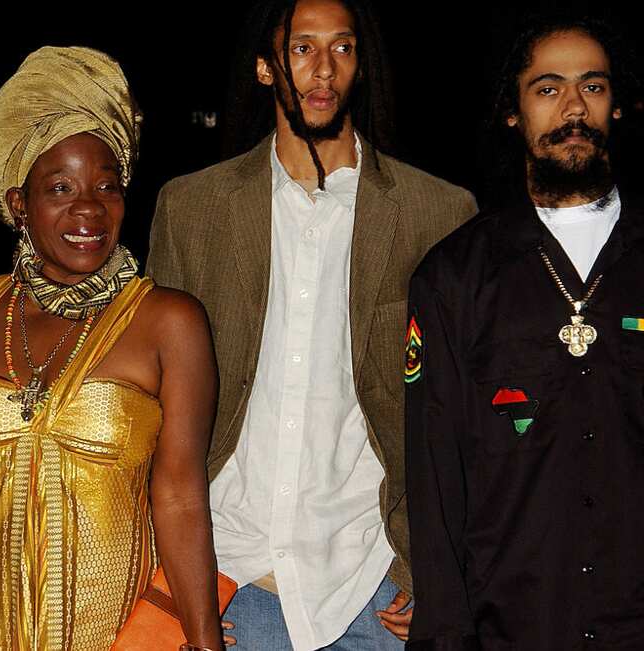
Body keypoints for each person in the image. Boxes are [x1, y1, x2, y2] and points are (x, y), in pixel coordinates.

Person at [146, 0, 477, 648]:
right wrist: (172, 577)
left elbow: (458, 414)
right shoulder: (192, 210)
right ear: (267, 67)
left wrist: (440, 565)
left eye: (342, 48)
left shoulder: (435, 211)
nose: (323, 69)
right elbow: (152, 407)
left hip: (371, 591)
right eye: (302, 49)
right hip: (228, 587)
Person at [0, 46, 224, 651]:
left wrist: (204, 639)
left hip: (115, 634)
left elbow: (182, 497)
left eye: (108, 187)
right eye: (60, 188)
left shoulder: (167, 322)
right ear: (18, 205)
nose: (88, 209)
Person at [406, 14, 644, 650]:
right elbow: (435, 477)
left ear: (616, 105)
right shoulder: (455, 274)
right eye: (548, 88)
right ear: (513, 111)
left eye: (592, 87)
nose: (573, 107)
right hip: (511, 626)